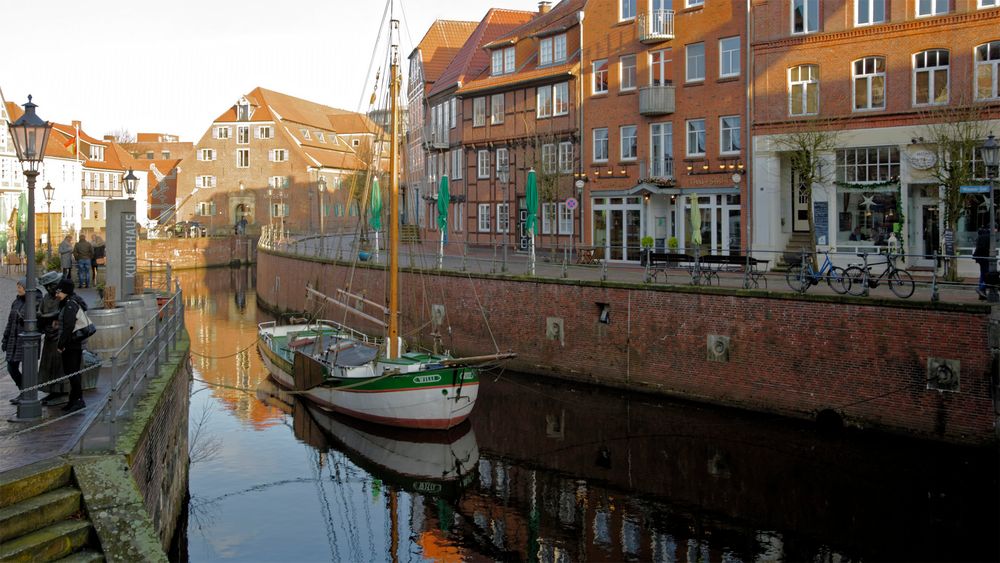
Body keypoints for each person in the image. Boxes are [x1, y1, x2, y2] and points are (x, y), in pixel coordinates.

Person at [54, 279, 87, 413]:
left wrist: (61, 345)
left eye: (59, 291)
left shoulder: (69, 305)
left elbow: (68, 327)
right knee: (72, 372)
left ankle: (78, 400)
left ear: (65, 291)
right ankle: (73, 399)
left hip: (71, 344)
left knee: (72, 372)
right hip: (74, 344)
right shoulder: (67, 303)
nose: (57, 294)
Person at [2, 278, 36, 404]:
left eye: (20, 287)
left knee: (28, 368)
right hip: (13, 339)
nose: (18, 289)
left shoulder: (34, 301)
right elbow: (9, 322)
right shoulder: (16, 302)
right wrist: (5, 339)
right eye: (18, 287)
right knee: (11, 367)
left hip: (26, 341)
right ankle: (23, 390)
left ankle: (27, 393)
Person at [37, 271, 66, 406]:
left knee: (59, 365)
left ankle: (62, 392)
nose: (49, 289)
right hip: (49, 336)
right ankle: (52, 391)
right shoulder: (46, 297)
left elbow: (60, 313)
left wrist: (46, 317)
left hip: (59, 336)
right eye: (47, 287)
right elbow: (39, 312)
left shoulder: (62, 296)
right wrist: (43, 318)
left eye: (51, 286)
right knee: (48, 365)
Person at [973, 227, 991, 300]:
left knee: (983, 274)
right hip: (985, 258)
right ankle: (981, 288)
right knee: (990, 275)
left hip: (980, 258)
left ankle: (982, 295)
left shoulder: (981, 235)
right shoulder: (989, 236)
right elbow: (984, 248)